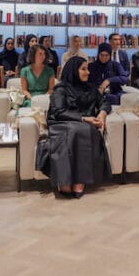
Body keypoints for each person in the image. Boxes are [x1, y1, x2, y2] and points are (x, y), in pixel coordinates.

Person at [43, 56, 110, 198]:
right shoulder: (60, 89)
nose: (88, 72)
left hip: (85, 125)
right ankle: (65, 180)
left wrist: (102, 113)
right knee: (75, 130)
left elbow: (104, 102)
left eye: (88, 69)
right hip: (61, 123)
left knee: (83, 130)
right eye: (83, 69)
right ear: (73, 70)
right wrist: (84, 118)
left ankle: (80, 180)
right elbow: (58, 112)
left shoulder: (91, 88)